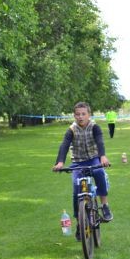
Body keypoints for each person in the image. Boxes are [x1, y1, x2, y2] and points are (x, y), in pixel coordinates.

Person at [52, 102, 113, 241]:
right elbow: (64, 145)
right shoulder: (71, 130)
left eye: (83, 114)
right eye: (78, 114)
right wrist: (60, 162)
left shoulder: (94, 127)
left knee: (99, 173)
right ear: (74, 115)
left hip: (93, 159)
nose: (80, 117)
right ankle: (80, 222)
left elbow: (100, 142)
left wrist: (102, 156)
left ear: (88, 115)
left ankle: (104, 205)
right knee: (76, 191)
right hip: (77, 162)